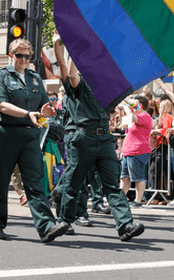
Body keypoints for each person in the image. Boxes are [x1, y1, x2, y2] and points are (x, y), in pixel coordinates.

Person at [52, 33, 144, 241]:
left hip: (104, 140)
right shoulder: (78, 85)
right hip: (82, 139)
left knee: (112, 185)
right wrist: (72, 45)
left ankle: (125, 225)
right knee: (73, 183)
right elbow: (69, 72)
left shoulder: (106, 87)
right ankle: (64, 221)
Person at [0, 38, 69, 243]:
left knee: (35, 181)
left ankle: (47, 226)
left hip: (30, 134)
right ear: (11, 55)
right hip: (5, 132)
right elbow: (1, 105)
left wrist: (45, 110)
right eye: (20, 55)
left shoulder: (34, 78)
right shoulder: (2, 76)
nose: (24, 60)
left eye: (27, 56)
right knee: (0, 180)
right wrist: (27, 114)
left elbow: (42, 104)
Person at [118, 94, 153, 207]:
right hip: (128, 150)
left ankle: (138, 201)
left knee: (138, 177)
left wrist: (126, 105)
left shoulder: (145, 116)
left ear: (140, 105)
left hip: (138, 150)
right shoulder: (133, 115)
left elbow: (132, 117)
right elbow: (125, 128)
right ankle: (121, 199)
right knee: (124, 177)